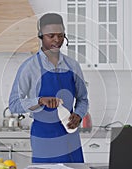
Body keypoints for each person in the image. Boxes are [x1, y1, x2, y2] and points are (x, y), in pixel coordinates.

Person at [9, 13, 89, 163]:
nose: (57, 40)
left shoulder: (73, 66)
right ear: (41, 36)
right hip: (43, 136)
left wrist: (78, 115)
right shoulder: (29, 67)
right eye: (51, 35)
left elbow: (83, 99)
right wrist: (39, 101)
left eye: (60, 35)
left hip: (69, 134)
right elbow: (14, 104)